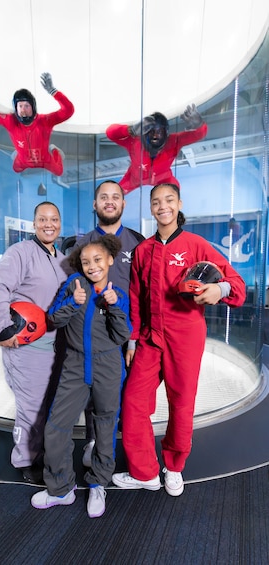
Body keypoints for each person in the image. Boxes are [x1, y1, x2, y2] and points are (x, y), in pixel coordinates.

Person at [112, 183, 246, 496]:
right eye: (156, 202)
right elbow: (135, 298)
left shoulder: (196, 244)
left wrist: (219, 290)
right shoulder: (143, 251)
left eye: (169, 200)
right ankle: (145, 472)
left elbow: (235, 285)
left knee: (181, 404)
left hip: (185, 338)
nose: (162, 207)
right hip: (149, 339)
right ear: (151, 208)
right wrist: (132, 341)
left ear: (179, 204)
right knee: (133, 401)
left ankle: (173, 468)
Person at [31, 234, 131, 518]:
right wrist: (74, 302)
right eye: (85, 262)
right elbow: (53, 318)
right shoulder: (73, 285)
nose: (92, 266)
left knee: (105, 427)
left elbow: (123, 335)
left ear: (110, 260)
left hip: (108, 366)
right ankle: (61, 488)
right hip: (74, 365)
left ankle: (98, 483)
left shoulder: (118, 293)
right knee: (57, 426)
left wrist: (113, 307)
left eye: (97, 260)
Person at [0, 202, 72, 484]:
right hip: (28, 348)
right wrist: (1, 329)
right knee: (31, 407)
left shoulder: (62, 258)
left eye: (54, 219)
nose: (49, 224)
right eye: (42, 219)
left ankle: (46, 454)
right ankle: (26, 459)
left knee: (49, 406)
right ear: (34, 224)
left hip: (56, 347)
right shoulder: (20, 253)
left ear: (59, 223)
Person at [75, 180, 144, 466]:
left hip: (126, 335)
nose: (110, 201)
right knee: (96, 394)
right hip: (93, 335)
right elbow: (73, 290)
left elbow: (143, 294)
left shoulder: (138, 242)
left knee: (128, 394)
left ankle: (125, 447)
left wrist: (134, 338)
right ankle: (94, 443)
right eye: (103, 197)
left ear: (123, 204)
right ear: (95, 204)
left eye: (115, 197)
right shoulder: (81, 244)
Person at [0, 73, 74, 176]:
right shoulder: (10, 121)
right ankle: (18, 153)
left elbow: (68, 110)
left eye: (27, 106)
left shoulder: (45, 121)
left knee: (59, 171)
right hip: (23, 160)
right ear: (16, 108)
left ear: (33, 107)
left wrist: (53, 91)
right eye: (20, 106)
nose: (23, 110)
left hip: (45, 160)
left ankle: (54, 150)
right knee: (16, 169)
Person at [106, 104, 207, 194]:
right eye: (151, 130)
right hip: (134, 179)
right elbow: (110, 133)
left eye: (159, 131)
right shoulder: (135, 141)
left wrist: (198, 124)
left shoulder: (173, 141)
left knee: (173, 193)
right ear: (144, 132)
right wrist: (131, 130)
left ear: (166, 133)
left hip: (163, 179)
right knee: (115, 193)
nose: (155, 135)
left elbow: (198, 135)